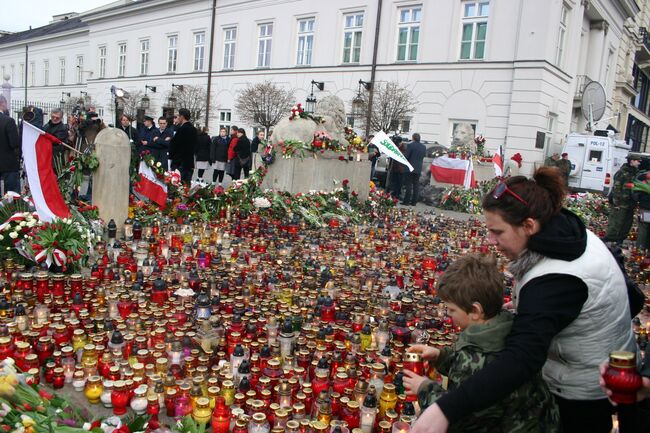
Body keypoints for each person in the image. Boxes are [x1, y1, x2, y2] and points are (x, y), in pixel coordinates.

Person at [411, 167, 637, 433]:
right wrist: (545, 314)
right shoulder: (564, 233)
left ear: (529, 225)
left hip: (583, 391)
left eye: (498, 232)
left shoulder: (555, 279)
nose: (491, 241)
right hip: (598, 369)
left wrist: (445, 408)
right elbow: (633, 297)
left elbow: (523, 358)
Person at [404, 254, 559, 433]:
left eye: (452, 309)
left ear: (475, 311)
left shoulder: (482, 354)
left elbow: (464, 417)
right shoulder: (505, 327)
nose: (448, 314)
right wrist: (441, 356)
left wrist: (425, 388)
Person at [604, 153, 641, 244]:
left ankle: (621, 238)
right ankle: (610, 238)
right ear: (631, 161)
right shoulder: (622, 172)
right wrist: (616, 203)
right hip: (621, 202)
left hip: (630, 202)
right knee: (617, 220)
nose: (639, 163)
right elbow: (617, 188)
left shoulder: (636, 172)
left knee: (627, 222)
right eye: (637, 161)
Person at [169, 108, 197, 185]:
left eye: (178, 116)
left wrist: (171, 156)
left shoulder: (182, 129)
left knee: (177, 186)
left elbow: (174, 145)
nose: (177, 118)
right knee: (186, 187)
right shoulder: (194, 129)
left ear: (182, 117)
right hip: (189, 162)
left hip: (180, 162)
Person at [0, 96, 20, 194]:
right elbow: (14, 143)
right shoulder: (8, 121)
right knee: (12, 194)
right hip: (8, 163)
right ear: (3, 103)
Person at [402, 132, 426, 206]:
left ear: (413, 138)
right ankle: (414, 202)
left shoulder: (410, 145)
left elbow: (407, 156)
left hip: (410, 168)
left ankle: (406, 201)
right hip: (418, 168)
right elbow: (423, 156)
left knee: (408, 185)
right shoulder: (423, 147)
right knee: (416, 185)